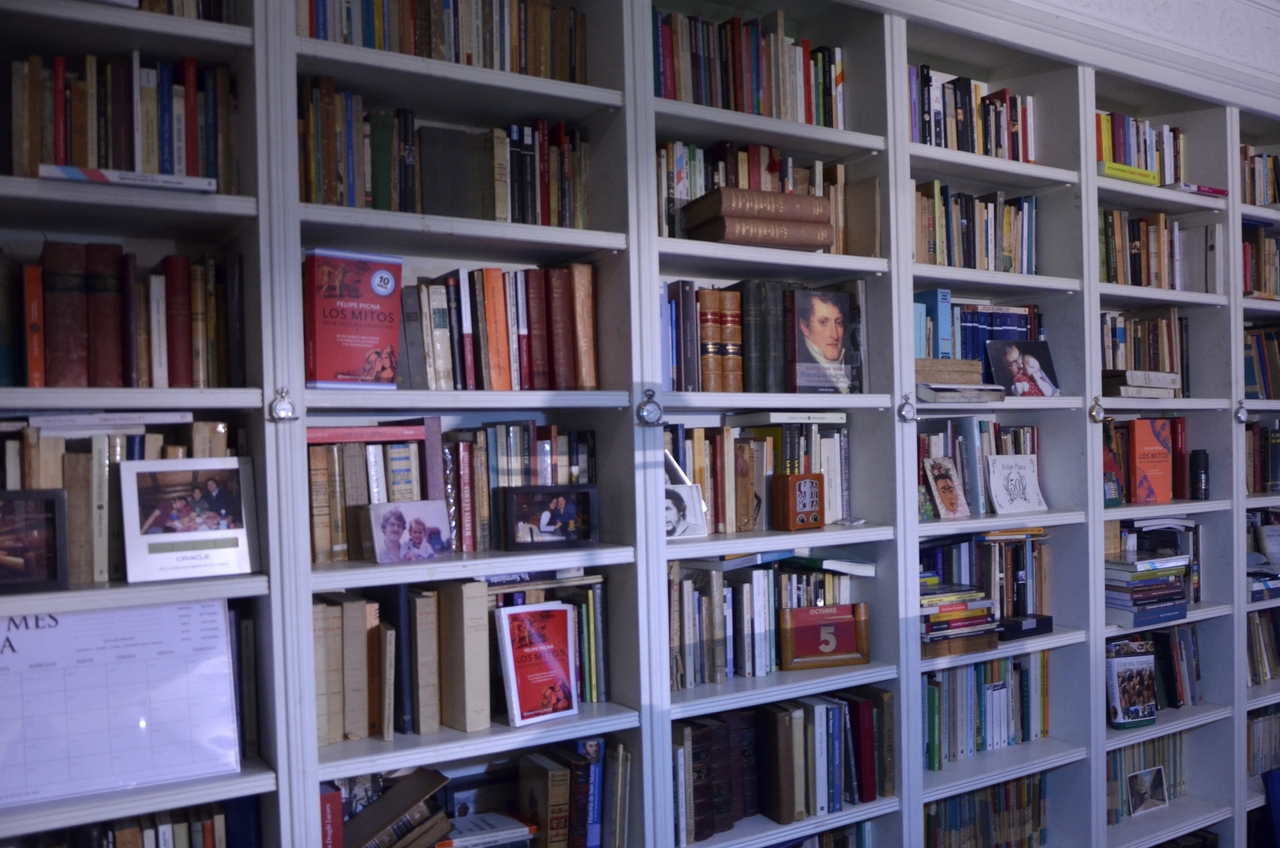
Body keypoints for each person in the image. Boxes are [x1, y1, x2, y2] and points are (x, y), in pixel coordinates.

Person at [795, 291, 851, 393]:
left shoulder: (854, 368)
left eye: (838, 323)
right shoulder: (799, 376)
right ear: (804, 327)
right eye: (823, 322)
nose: (834, 335)